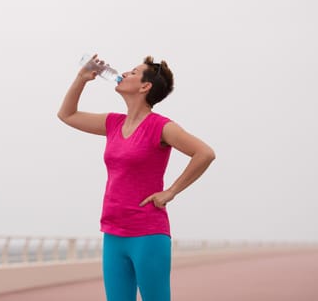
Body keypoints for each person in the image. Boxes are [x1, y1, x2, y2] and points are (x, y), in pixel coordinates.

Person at [57, 54, 215, 301]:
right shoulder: (112, 123)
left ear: (145, 86)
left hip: (148, 233)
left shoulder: (161, 127)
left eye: (133, 72)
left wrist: (171, 191)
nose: (125, 73)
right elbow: (67, 115)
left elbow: (204, 153)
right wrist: (82, 78)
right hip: (113, 232)